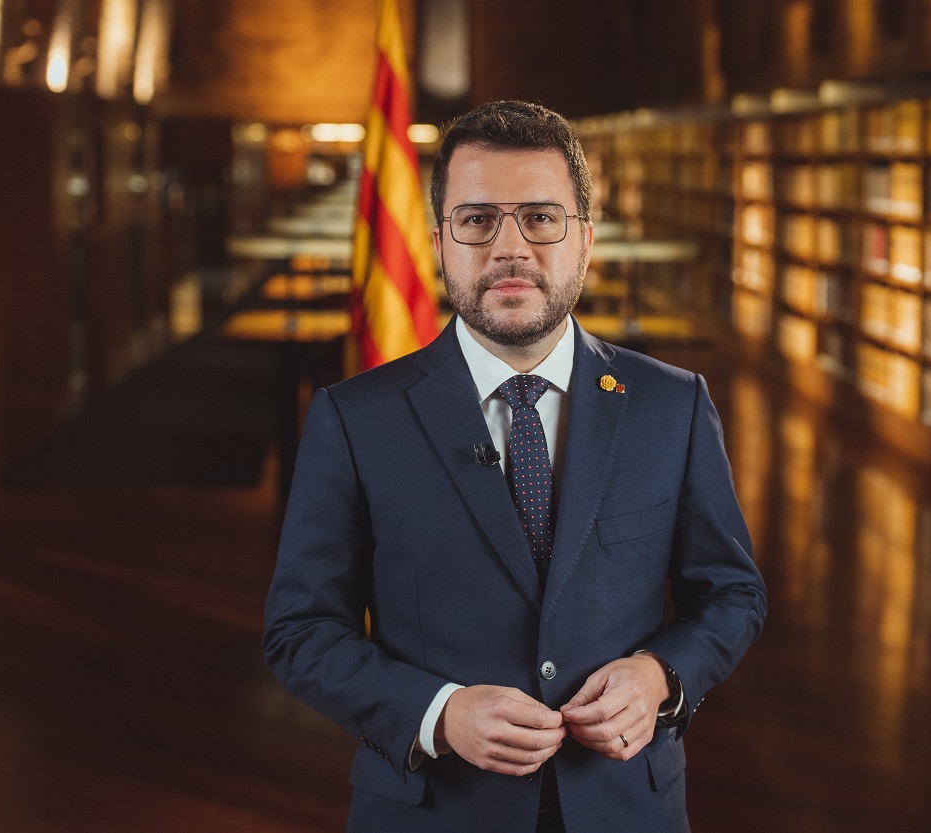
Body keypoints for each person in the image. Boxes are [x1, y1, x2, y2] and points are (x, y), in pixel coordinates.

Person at [263, 100, 766, 833]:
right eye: (477, 220)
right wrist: (437, 713)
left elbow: (732, 594)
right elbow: (300, 630)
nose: (510, 248)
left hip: (629, 807)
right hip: (433, 808)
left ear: (585, 240)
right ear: (439, 241)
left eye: (540, 217)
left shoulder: (672, 405)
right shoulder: (353, 417)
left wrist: (661, 675)